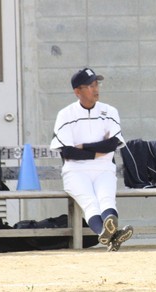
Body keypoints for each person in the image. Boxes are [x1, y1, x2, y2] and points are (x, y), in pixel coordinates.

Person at [50, 67, 133, 251]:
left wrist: (85, 147)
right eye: (90, 86)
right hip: (75, 171)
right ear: (77, 91)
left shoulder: (110, 110)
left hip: (104, 168)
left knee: (107, 200)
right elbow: (68, 152)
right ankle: (111, 234)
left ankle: (107, 235)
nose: (96, 89)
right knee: (90, 203)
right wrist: (97, 151)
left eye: (96, 84)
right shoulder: (66, 114)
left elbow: (112, 144)